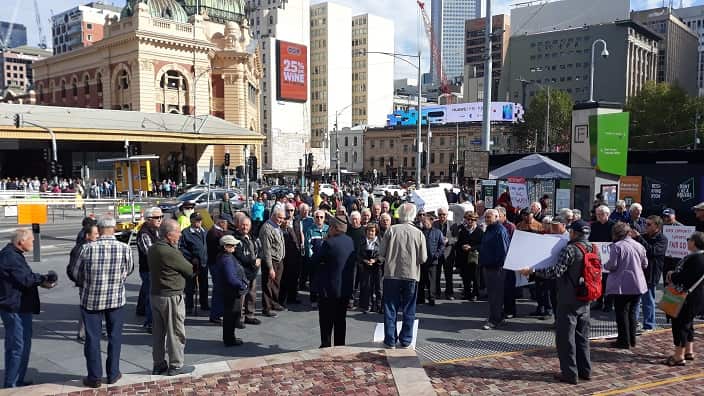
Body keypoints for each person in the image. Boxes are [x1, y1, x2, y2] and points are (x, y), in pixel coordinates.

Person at [519, 220, 594, 385]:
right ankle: (585, 370)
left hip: (568, 298)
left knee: (565, 338)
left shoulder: (570, 250)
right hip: (586, 297)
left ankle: (569, 373)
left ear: (573, 233)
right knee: (582, 337)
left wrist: (533, 271)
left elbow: (556, 271)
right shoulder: (592, 248)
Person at [72, 216, 134, 388]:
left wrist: (88, 283)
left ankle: (94, 377)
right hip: (116, 299)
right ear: (114, 229)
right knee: (115, 337)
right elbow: (128, 270)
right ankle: (113, 373)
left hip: (91, 299)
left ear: (98, 229)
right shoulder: (125, 248)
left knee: (92, 339)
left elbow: (76, 273)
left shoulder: (87, 249)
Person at [0, 229, 57, 388]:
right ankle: (11, 385)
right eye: (31, 240)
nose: (33, 243)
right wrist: (44, 278)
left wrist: (39, 280)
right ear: (20, 242)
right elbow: (26, 278)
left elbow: (24, 277)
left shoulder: (12, 254)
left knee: (22, 345)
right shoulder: (10, 256)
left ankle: (17, 380)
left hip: (19, 306)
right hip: (14, 308)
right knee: (17, 347)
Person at [148, 219, 193, 377]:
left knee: (158, 333)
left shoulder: (153, 248)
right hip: (171, 296)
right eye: (178, 232)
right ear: (168, 235)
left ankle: (158, 364)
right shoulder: (169, 251)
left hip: (156, 295)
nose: (180, 235)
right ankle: (176, 365)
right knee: (175, 332)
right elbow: (189, 269)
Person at [380, 203, 427, 349]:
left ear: (399, 214)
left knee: (390, 307)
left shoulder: (391, 230)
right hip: (411, 274)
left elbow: (381, 253)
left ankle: (390, 339)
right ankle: (406, 340)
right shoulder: (418, 233)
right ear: (413, 215)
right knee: (409, 308)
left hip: (392, 274)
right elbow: (423, 258)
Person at [312, 216, 356, 347]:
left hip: (328, 290)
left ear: (335, 228)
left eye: (330, 227)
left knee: (326, 321)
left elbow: (314, 261)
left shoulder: (329, 243)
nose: (328, 229)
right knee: (340, 321)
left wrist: (322, 242)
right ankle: (339, 346)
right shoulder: (350, 241)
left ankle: (325, 346)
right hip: (344, 289)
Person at [603, 222, 647, 349]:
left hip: (621, 285)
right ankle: (632, 339)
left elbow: (612, 265)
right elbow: (645, 264)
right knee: (632, 312)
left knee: (621, 313)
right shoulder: (639, 245)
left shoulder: (616, 246)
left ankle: (623, 341)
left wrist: (604, 265)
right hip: (637, 283)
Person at [664, 231, 704, 366]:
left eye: (689, 239)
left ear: (694, 242)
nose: (687, 241)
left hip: (686, 297)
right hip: (696, 296)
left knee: (679, 325)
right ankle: (689, 350)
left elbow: (684, 278)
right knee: (688, 324)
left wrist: (671, 275)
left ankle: (678, 356)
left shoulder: (695, 259)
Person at [631, 215, 667, 332]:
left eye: (649, 224)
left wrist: (639, 239)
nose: (646, 226)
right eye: (646, 223)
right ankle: (634, 323)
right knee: (636, 299)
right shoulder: (644, 236)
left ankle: (649, 325)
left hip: (651, 272)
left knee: (648, 299)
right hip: (639, 271)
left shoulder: (662, 239)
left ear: (657, 226)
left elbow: (652, 251)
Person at [67, 223, 99, 341]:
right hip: (86, 285)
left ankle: (93, 330)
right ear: (87, 235)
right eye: (95, 234)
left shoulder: (96, 246)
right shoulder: (81, 249)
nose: (98, 236)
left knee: (97, 309)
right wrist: (82, 282)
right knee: (86, 309)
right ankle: (82, 333)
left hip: (96, 283)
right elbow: (73, 270)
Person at [479, 209, 510, 330]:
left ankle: (494, 320)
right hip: (488, 266)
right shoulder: (489, 229)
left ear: (497, 217)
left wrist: (496, 264)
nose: (487, 219)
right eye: (486, 217)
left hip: (496, 268)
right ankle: (498, 316)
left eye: (489, 217)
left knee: (495, 296)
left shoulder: (500, 230)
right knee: (493, 295)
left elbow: (503, 251)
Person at [215, 235, 248, 346]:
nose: (234, 246)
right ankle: (229, 339)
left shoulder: (225, 257)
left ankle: (230, 337)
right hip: (231, 292)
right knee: (231, 316)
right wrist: (242, 285)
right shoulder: (226, 259)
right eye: (232, 245)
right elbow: (231, 278)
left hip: (229, 291)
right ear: (225, 247)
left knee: (230, 316)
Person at [136, 207, 163, 332]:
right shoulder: (144, 233)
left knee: (150, 294)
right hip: (148, 269)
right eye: (157, 217)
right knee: (151, 297)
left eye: (161, 217)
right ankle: (150, 322)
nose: (160, 219)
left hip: (156, 268)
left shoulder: (157, 230)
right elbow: (150, 252)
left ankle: (145, 314)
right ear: (148, 219)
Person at [259, 206, 286, 317]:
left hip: (279, 260)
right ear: (274, 216)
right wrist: (270, 268)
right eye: (280, 217)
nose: (282, 220)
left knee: (275, 283)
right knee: (268, 284)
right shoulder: (267, 228)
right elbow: (266, 250)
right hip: (271, 261)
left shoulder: (277, 226)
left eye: (283, 218)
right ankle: (267, 308)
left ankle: (274, 303)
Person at [234, 217, 261, 326]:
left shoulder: (252, 237)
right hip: (242, 271)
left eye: (247, 225)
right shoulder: (236, 238)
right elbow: (239, 255)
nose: (245, 227)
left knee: (252, 295)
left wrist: (259, 258)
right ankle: (238, 318)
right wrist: (253, 261)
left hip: (253, 271)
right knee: (241, 296)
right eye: (243, 225)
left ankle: (250, 315)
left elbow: (260, 250)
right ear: (239, 225)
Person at [179, 212, 209, 315]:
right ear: (191, 221)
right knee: (190, 286)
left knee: (204, 284)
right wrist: (191, 258)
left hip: (204, 263)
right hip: (191, 264)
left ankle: (204, 304)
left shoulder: (204, 231)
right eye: (197, 220)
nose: (199, 222)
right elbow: (182, 248)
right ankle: (189, 306)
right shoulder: (186, 233)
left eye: (200, 220)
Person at [589, 205, 615, 313]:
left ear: (607, 214)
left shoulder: (613, 225)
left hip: (609, 257)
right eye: (597, 214)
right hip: (597, 256)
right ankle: (599, 301)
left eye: (601, 214)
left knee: (608, 281)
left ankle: (608, 303)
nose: (598, 216)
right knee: (598, 280)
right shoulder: (594, 225)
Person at [206, 216, 231, 324]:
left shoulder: (217, 232)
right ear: (221, 223)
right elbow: (220, 247)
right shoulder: (214, 233)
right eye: (226, 223)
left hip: (216, 263)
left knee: (220, 289)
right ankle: (215, 314)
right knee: (218, 290)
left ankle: (218, 313)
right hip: (216, 264)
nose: (227, 225)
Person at [455, 212, 484, 301]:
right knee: (465, 277)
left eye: (472, 220)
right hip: (464, 257)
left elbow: (482, 245)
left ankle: (475, 293)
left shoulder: (479, 231)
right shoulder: (462, 231)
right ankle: (467, 293)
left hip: (475, 257)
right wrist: (462, 246)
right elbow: (458, 244)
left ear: (476, 220)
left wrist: (471, 248)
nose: (470, 221)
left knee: (475, 277)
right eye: (468, 219)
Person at [305, 210, 329, 307]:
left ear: (324, 218)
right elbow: (308, 246)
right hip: (314, 261)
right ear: (314, 218)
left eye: (321, 217)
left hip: (326, 261)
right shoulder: (310, 230)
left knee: (325, 281)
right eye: (317, 217)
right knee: (314, 280)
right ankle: (313, 299)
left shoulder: (328, 229)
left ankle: (324, 299)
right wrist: (314, 258)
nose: (319, 219)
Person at [419, 213, 444, 306]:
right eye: (423, 222)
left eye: (426, 221)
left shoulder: (437, 232)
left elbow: (441, 244)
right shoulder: (420, 232)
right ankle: (420, 298)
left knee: (431, 280)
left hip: (432, 260)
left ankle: (431, 298)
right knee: (421, 280)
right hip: (421, 260)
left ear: (431, 221)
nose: (424, 223)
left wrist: (437, 254)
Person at [358, 223, 383, 313]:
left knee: (379, 287)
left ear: (376, 232)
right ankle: (368, 305)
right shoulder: (362, 241)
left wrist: (375, 260)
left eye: (372, 231)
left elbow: (383, 255)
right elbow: (359, 254)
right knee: (367, 286)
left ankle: (379, 306)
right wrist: (364, 260)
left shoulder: (380, 241)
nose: (370, 233)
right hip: (365, 266)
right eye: (369, 231)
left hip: (377, 267)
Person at [279, 211, 303, 307]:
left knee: (294, 279)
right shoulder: (280, 231)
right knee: (284, 280)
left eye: (288, 220)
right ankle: (282, 300)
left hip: (294, 257)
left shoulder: (290, 229)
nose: (287, 222)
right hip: (285, 258)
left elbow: (296, 242)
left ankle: (292, 298)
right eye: (285, 220)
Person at [434, 208, 455, 300]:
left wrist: (448, 240)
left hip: (448, 253)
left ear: (447, 215)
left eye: (444, 214)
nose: (442, 216)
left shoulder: (453, 224)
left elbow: (456, 238)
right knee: (436, 274)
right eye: (440, 214)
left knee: (448, 275)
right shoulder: (434, 224)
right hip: (438, 253)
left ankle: (449, 293)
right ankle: (437, 293)